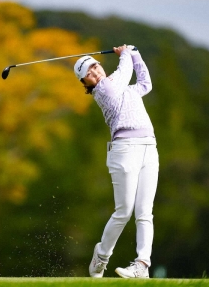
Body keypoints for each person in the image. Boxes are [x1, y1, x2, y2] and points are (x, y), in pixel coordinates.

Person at [73, 44, 159, 279]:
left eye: (95, 67)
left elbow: (145, 83)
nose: (94, 73)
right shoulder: (104, 90)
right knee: (124, 211)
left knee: (145, 212)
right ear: (86, 84)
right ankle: (101, 256)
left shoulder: (125, 89)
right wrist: (127, 54)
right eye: (88, 74)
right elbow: (124, 73)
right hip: (124, 151)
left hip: (149, 148)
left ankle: (142, 264)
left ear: (100, 65)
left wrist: (137, 54)